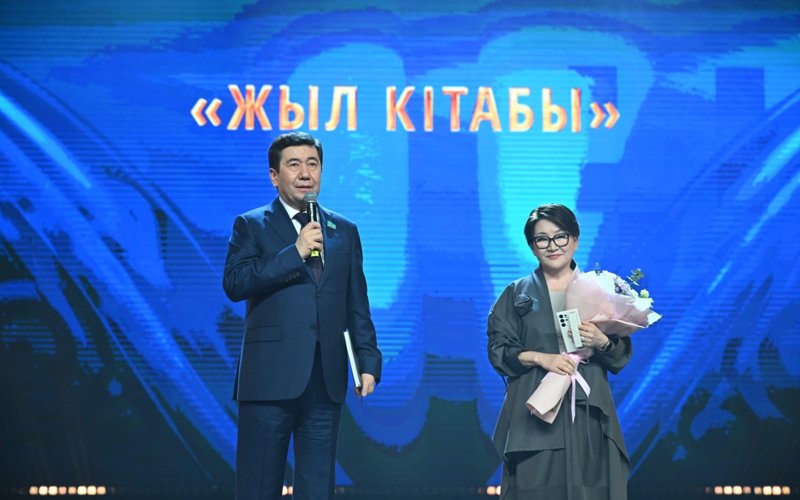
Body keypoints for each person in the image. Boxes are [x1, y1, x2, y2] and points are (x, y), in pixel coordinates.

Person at [223, 132, 382, 500]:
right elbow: (235, 283)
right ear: (274, 176)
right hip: (268, 379)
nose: (305, 173)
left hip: (324, 379)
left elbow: (356, 302)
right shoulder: (252, 224)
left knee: (317, 488)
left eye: (313, 164)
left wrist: (368, 361)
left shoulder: (343, 230)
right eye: (294, 165)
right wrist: (294, 253)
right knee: (258, 487)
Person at [487, 203, 631, 499]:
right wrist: (542, 358)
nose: (552, 246)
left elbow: (620, 357)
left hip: (588, 414)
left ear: (575, 240)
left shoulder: (602, 290)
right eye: (542, 239)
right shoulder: (516, 294)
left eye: (560, 236)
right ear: (532, 246)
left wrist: (601, 341)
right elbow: (498, 351)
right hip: (536, 414)